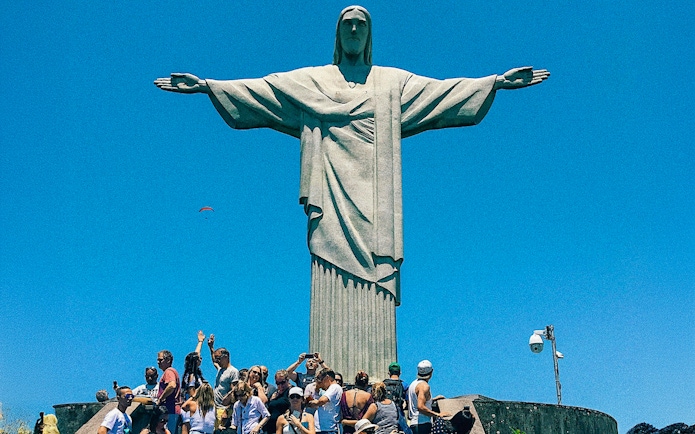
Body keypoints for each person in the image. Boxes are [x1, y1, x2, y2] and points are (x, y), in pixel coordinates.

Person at [154, 6, 550, 379]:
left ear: (370, 34)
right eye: (348, 24)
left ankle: (373, 376)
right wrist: (209, 86)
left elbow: (442, 93)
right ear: (338, 34)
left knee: (377, 269)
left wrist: (494, 82)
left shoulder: (392, 84)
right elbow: (264, 91)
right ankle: (329, 371)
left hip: (376, 203)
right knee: (327, 260)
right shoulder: (314, 81)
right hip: (329, 194)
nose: (355, 30)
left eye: (362, 24)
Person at [407, 361, 448, 434]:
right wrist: (438, 414)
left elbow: (416, 401)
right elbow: (420, 406)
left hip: (413, 423)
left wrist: (433, 399)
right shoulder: (424, 386)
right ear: (431, 372)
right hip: (423, 424)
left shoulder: (413, 384)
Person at [207, 334, 240, 426]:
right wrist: (211, 347)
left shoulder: (233, 371)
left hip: (224, 409)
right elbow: (214, 361)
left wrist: (227, 409)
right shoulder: (220, 369)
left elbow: (234, 392)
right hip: (215, 407)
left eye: (219, 358)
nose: (217, 360)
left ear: (226, 357)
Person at [307, 369, 342, 434]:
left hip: (328, 429)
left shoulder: (334, 387)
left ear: (327, 378)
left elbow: (322, 400)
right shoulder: (332, 388)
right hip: (323, 429)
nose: (321, 383)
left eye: (321, 379)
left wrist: (314, 402)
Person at [156, 350, 182, 434]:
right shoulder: (171, 371)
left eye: (160, 360)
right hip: (172, 411)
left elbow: (172, 385)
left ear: (168, 360)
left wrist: (160, 399)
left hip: (170, 410)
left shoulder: (169, 371)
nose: (158, 362)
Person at [182, 331, 207, 401]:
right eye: (199, 358)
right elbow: (192, 392)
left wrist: (200, 342)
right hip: (194, 405)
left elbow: (196, 353)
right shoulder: (191, 376)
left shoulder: (195, 373)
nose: (201, 359)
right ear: (195, 361)